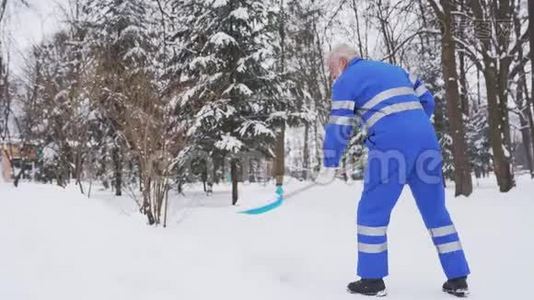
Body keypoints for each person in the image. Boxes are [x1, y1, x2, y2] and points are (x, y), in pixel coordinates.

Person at [322, 44, 470, 297]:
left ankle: (372, 280)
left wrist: (330, 160)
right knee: (436, 211)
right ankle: (458, 278)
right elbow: (427, 100)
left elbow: (340, 123)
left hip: (391, 149)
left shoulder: (346, 80)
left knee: (372, 211)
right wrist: (412, 126)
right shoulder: (396, 70)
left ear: (343, 62)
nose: (332, 75)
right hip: (426, 144)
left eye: (332, 69)